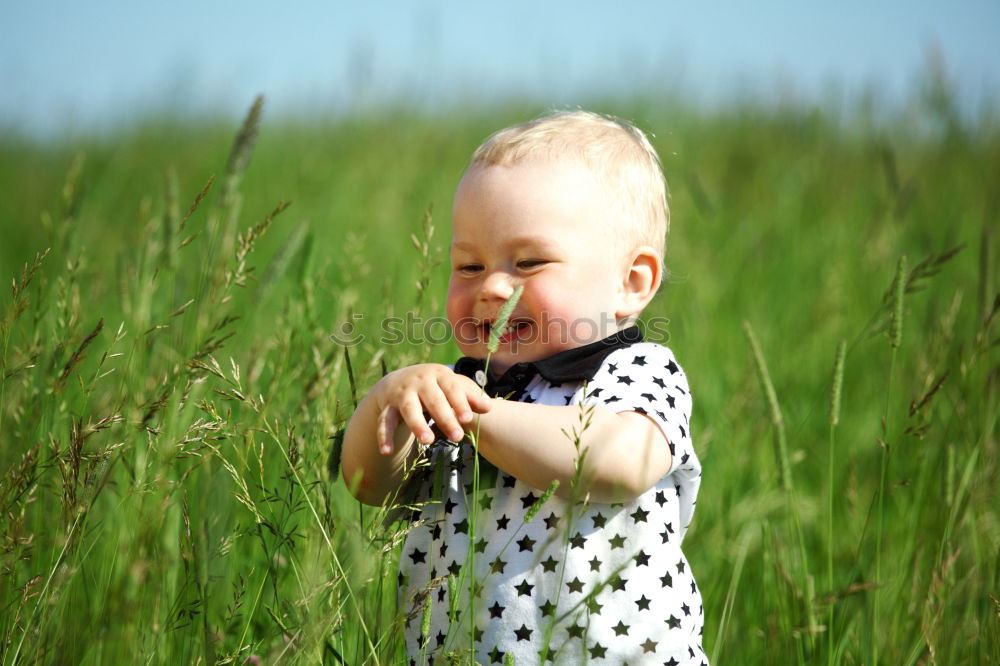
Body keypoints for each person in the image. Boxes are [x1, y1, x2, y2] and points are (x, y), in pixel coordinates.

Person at [342, 110, 706, 665]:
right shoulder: (459, 389)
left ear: (630, 282)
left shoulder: (637, 372)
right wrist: (388, 397)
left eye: (529, 262)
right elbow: (370, 483)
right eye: (467, 266)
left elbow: (617, 462)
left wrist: (479, 418)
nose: (491, 286)